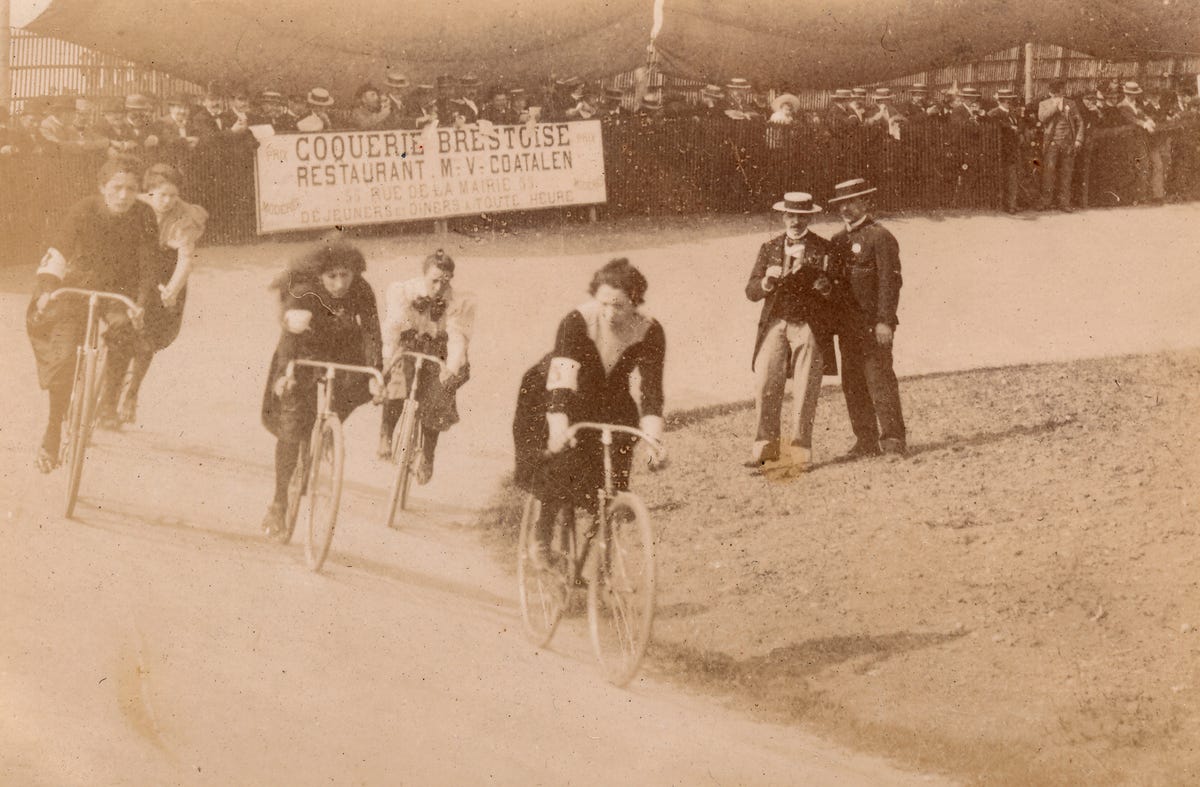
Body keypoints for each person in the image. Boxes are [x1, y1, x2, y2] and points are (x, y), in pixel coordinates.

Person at [511, 258, 666, 568]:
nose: (610, 313)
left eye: (619, 306)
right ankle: (542, 532)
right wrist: (558, 428)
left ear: (635, 302)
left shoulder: (649, 331)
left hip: (610, 398)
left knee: (614, 478)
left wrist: (654, 442)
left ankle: (595, 565)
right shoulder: (577, 321)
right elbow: (562, 382)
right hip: (555, 392)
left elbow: (651, 391)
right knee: (562, 460)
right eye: (604, 303)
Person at [25, 155, 159, 472]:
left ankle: (109, 400)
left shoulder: (144, 214)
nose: (124, 195)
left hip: (120, 291)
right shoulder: (84, 210)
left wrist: (140, 302)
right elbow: (58, 250)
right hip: (78, 284)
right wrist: (46, 290)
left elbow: (148, 264)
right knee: (64, 358)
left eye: (131, 188)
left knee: (125, 331)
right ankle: (53, 431)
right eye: (117, 187)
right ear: (102, 187)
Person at [259, 235, 383, 537]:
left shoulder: (363, 290)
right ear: (319, 275)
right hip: (304, 352)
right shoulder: (303, 292)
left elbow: (371, 332)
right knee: (291, 428)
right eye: (332, 276)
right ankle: (278, 503)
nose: (340, 283)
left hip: (344, 352)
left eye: (345, 275)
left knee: (359, 389)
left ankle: (328, 429)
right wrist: (285, 372)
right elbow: (289, 339)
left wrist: (375, 373)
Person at [110, 163, 208, 424]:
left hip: (166, 276)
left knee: (147, 339)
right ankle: (107, 394)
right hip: (136, 271)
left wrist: (172, 291)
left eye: (173, 195)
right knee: (119, 332)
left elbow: (186, 259)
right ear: (148, 193)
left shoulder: (185, 218)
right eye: (161, 195)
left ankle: (132, 393)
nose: (167, 201)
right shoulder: (133, 205)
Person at [744, 192, 835, 472]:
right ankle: (765, 450)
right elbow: (751, 290)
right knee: (765, 384)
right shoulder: (769, 247)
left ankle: (800, 452)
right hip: (776, 322)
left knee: (806, 387)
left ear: (810, 217)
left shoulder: (824, 248)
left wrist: (823, 285)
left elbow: (836, 291)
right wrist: (768, 283)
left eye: (802, 216)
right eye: (791, 215)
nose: (796, 221)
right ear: (783, 217)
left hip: (809, 324)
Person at [378, 250, 474, 483]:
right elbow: (393, 326)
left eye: (446, 280)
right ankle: (386, 434)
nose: (440, 286)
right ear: (424, 276)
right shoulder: (404, 292)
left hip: (439, 352)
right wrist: (388, 358)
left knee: (437, 398)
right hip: (409, 346)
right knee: (397, 382)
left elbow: (457, 337)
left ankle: (428, 455)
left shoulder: (456, 302)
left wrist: (450, 368)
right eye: (434, 280)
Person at [827, 177, 906, 458]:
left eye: (852, 202)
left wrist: (885, 320)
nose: (846, 209)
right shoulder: (837, 241)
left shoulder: (880, 237)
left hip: (874, 327)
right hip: (848, 328)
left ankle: (893, 441)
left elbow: (889, 282)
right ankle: (865, 441)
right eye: (841, 204)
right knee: (852, 384)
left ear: (866, 203)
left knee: (879, 381)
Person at [1037, 79, 1084, 211]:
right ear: (1050, 93)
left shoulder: (1071, 103)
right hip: (1052, 143)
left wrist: (1078, 140)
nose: (1057, 94)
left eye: (1059, 91)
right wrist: (1055, 107)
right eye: (1054, 92)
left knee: (1066, 173)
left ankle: (1064, 203)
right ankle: (1046, 201)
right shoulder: (1044, 104)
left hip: (1068, 143)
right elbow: (1042, 118)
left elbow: (1079, 122)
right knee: (1048, 172)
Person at [987, 88, 1024, 213]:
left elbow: (1019, 127)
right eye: (1006, 100)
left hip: (1013, 150)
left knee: (1013, 178)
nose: (1009, 102)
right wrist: (1010, 127)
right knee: (1006, 178)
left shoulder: (1013, 113)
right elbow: (994, 129)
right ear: (1000, 101)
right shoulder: (993, 113)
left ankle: (1011, 204)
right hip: (1001, 151)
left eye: (1010, 100)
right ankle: (1006, 205)